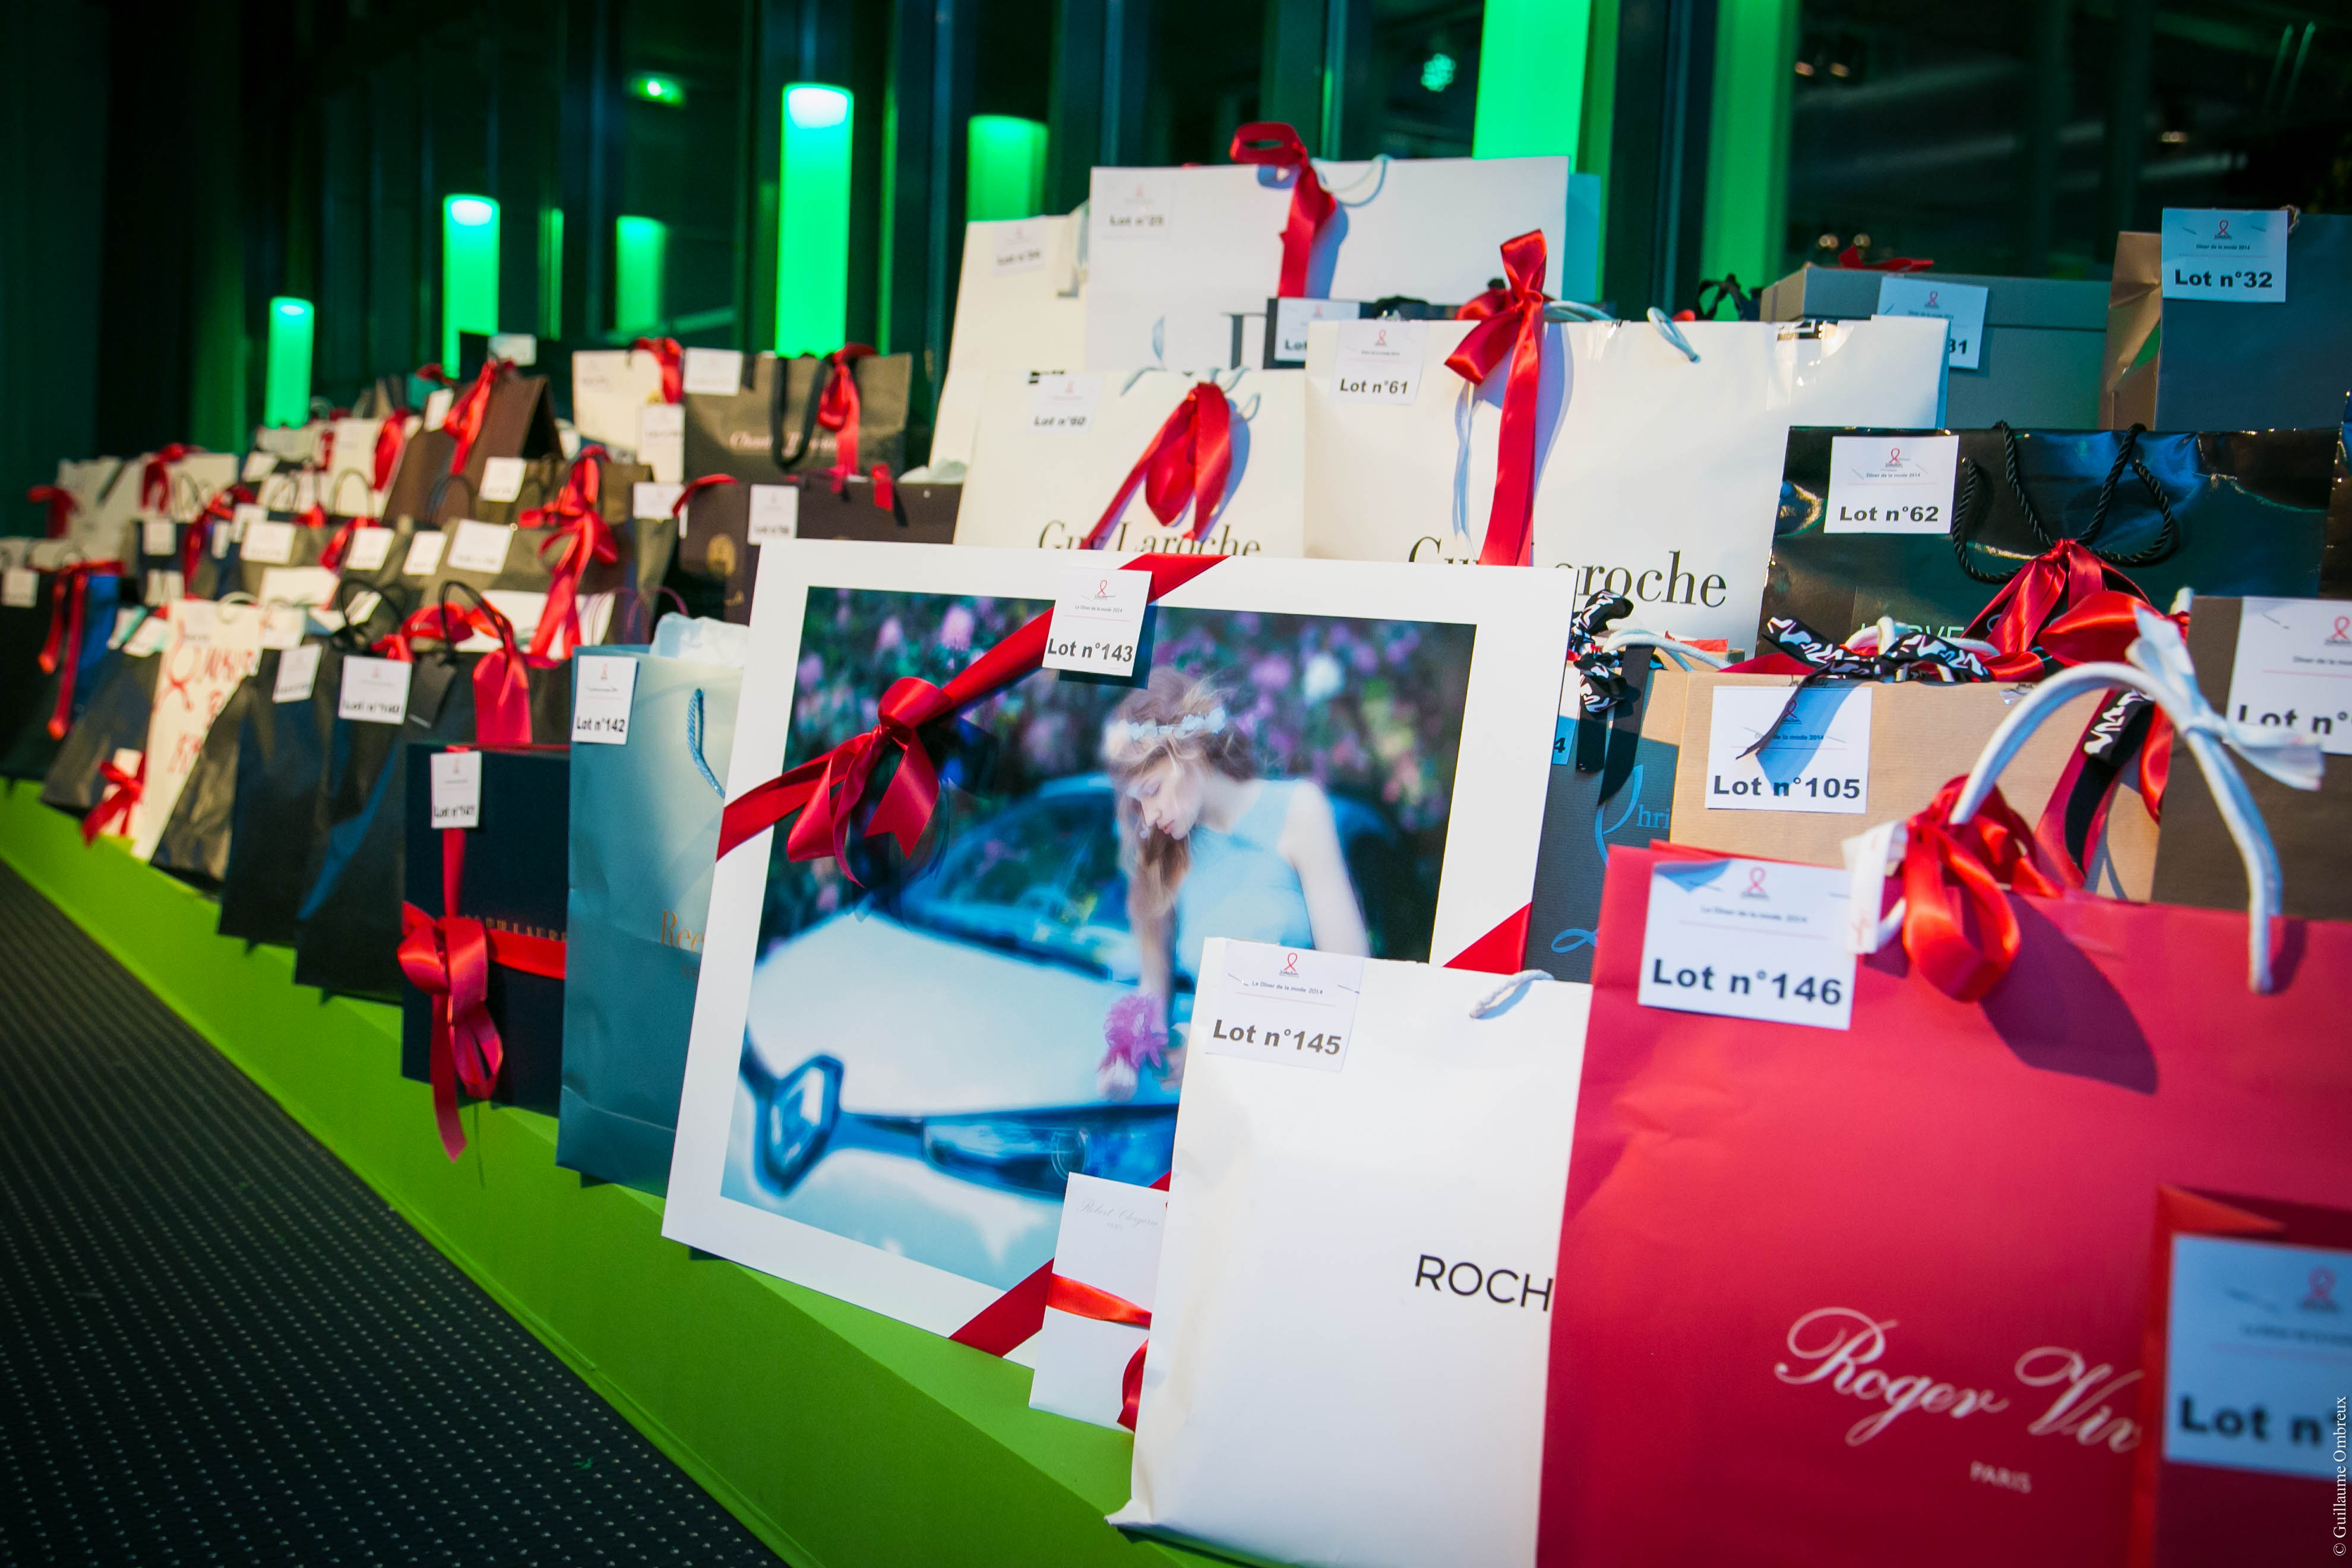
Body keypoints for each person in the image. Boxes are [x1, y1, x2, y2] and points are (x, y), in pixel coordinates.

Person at [1096, 669, 1368, 1097]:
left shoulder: (1299, 811)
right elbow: (1153, 987)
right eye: (1138, 800)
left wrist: (1218, 1045)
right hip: (1212, 1105)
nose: (1148, 816)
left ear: (1189, 751)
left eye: (1153, 789)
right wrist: (1126, 1053)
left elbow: (1351, 984)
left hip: (1299, 1094)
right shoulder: (1166, 856)